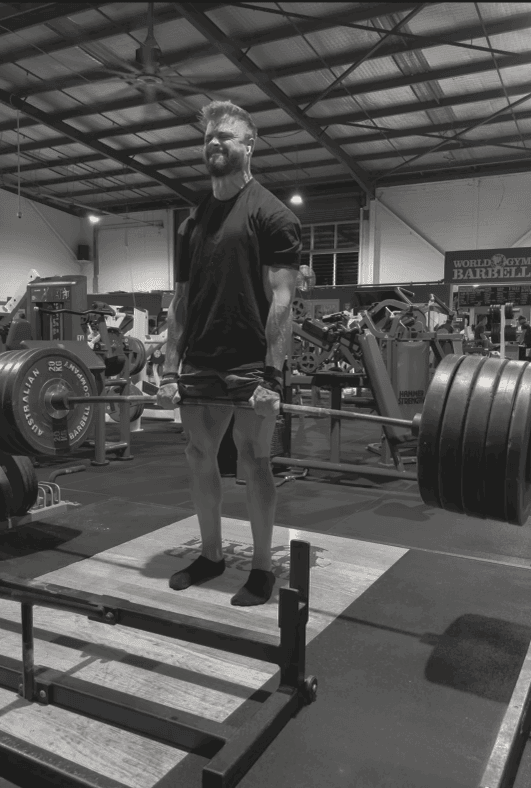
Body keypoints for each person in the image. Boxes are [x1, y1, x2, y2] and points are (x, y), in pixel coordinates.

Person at [156, 100, 301, 607]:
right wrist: (171, 366)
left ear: (249, 145)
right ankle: (212, 555)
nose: (215, 144)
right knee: (199, 457)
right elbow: (180, 301)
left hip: (249, 363)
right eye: (209, 138)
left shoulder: (272, 214)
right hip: (199, 360)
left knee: (254, 460)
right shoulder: (192, 222)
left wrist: (273, 376)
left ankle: (262, 568)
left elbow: (283, 299)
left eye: (227, 137)